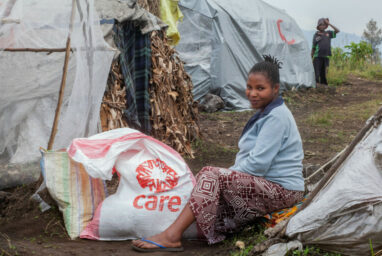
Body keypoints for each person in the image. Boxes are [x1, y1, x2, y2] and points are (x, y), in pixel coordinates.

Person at [132, 55, 305, 252]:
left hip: (284, 190)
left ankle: (172, 236)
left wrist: (225, 175)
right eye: (249, 87)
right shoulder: (266, 113)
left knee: (211, 175)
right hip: (268, 185)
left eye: (260, 88)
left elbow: (258, 165)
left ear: (275, 89)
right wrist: (227, 176)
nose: (252, 93)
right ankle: (182, 229)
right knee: (211, 185)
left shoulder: (276, 117)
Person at [311, 18, 340, 85]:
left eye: (324, 25)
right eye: (320, 25)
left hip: (325, 57)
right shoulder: (316, 35)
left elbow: (337, 31)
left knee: (323, 73)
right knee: (316, 73)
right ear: (318, 26)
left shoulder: (328, 33)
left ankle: (323, 86)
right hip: (317, 57)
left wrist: (329, 24)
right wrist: (311, 58)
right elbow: (313, 48)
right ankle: (316, 86)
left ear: (325, 26)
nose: (322, 26)